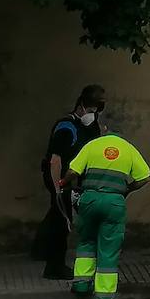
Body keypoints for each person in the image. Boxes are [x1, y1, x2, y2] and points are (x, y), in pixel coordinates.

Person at [66, 130, 150, 299]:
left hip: (90, 199)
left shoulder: (92, 145)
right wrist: (127, 189)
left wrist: (63, 182)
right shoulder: (128, 149)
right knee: (109, 249)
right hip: (114, 202)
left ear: (105, 134)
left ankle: (81, 284)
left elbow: (73, 170)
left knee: (86, 240)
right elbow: (144, 177)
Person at [33, 85, 106, 279]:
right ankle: (54, 267)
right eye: (91, 109)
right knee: (61, 220)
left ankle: (39, 250)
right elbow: (55, 159)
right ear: (81, 105)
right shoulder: (66, 126)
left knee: (56, 214)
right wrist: (58, 187)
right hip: (58, 177)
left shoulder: (88, 127)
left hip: (70, 178)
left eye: (97, 110)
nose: (93, 113)